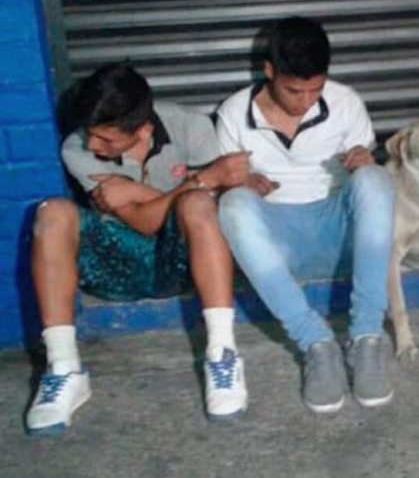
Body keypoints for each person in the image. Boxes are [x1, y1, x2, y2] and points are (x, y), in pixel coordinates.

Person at [26, 64, 252, 435]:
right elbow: (143, 222)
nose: (92, 145)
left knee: (198, 205)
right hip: (116, 264)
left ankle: (223, 356)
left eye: (106, 140)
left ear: (144, 128)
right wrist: (203, 180)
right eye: (90, 133)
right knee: (53, 213)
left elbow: (215, 208)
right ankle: (64, 368)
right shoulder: (76, 146)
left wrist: (141, 193)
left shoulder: (191, 127)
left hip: (184, 262)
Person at [215, 16, 395, 413]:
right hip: (278, 243)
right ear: (269, 72)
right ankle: (317, 343)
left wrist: (364, 161)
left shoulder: (345, 102)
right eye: (295, 90)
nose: (306, 101)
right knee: (232, 204)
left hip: (339, 233)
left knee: (375, 179)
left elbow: (366, 185)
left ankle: (367, 337)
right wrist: (240, 183)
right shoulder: (232, 113)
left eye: (315, 89)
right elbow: (229, 187)